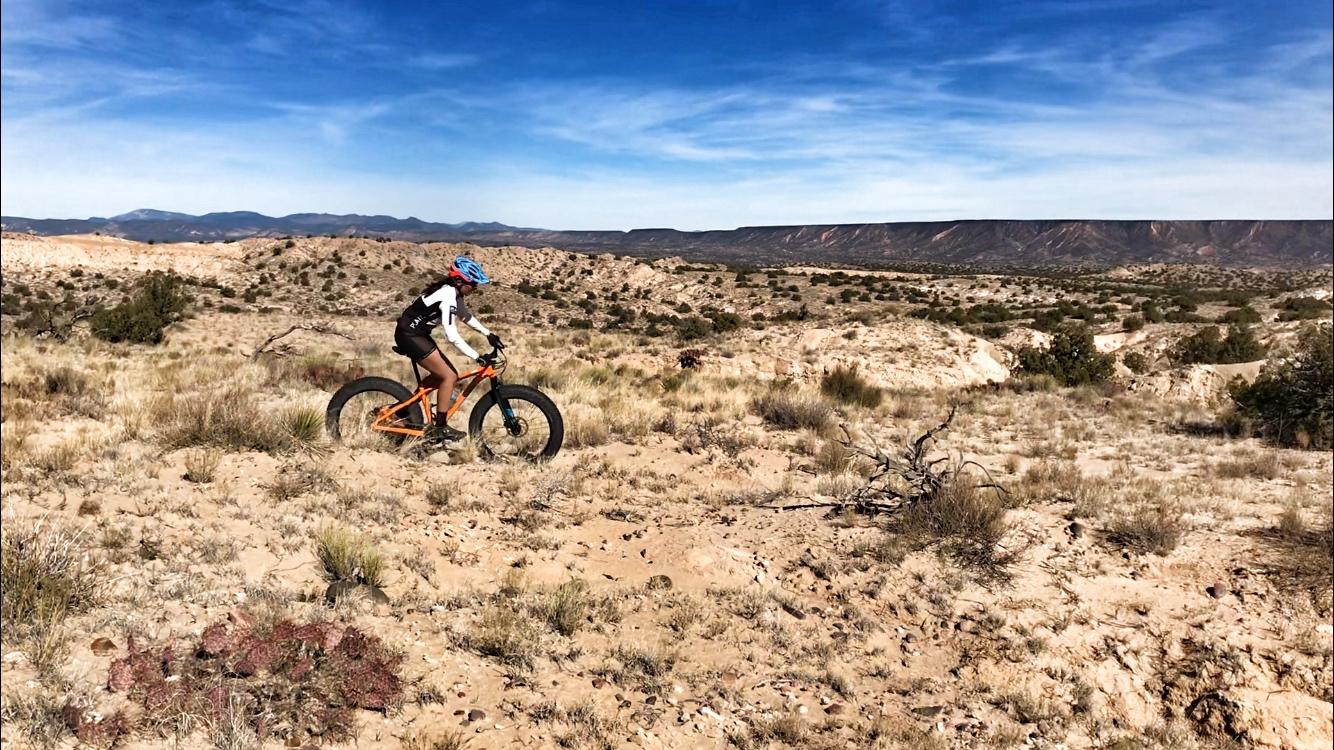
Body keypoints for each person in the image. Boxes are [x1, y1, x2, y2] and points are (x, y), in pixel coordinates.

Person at [394, 256, 504, 443]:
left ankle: (404, 409)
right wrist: (477, 357)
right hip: (410, 335)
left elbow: (466, 316)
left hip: (416, 334)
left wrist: (488, 334)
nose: (475, 288)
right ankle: (440, 428)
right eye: (473, 283)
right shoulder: (447, 295)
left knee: (441, 376)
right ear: (459, 280)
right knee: (449, 376)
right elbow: (451, 336)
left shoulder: (453, 293)